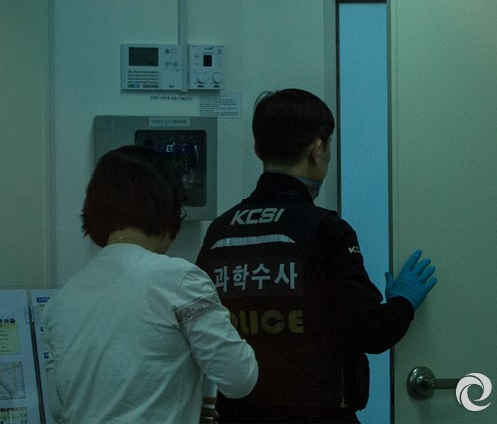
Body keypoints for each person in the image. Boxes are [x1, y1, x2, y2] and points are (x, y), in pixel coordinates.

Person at [196, 88, 437, 423]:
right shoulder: (326, 230)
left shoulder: (220, 231)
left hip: (237, 414)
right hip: (318, 413)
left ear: (257, 149)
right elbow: (370, 332)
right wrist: (403, 302)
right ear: (317, 149)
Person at [43, 145, 258, 423]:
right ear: (167, 209)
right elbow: (239, 379)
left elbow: (58, 406)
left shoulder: (62, 301)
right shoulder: (180, 280)